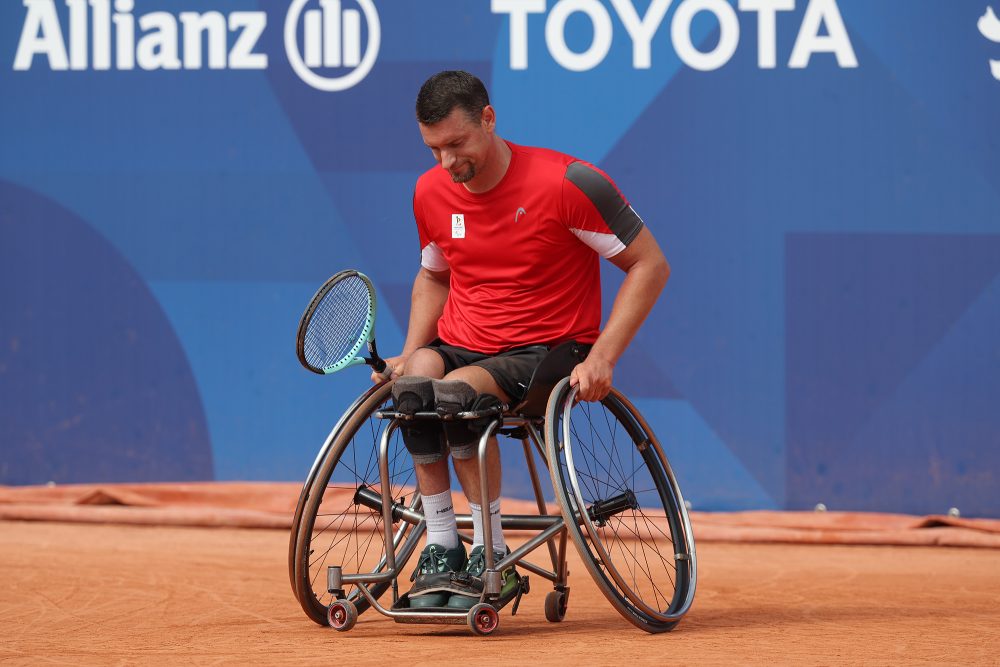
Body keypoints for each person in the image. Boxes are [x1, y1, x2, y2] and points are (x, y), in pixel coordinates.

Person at [372, 70, 670, 610]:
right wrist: (409, 350)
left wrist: (604, 356)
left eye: (457, 144)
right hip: (464, 340)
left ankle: (491, 553)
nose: (445, 163)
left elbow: (649, 265)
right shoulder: (430, 191)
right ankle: (442, 543)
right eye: (433, 149)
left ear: (489, 119)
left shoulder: (568, 183)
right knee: (415, 384)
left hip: (548, 352)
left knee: (457, 394)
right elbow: (435, 276)